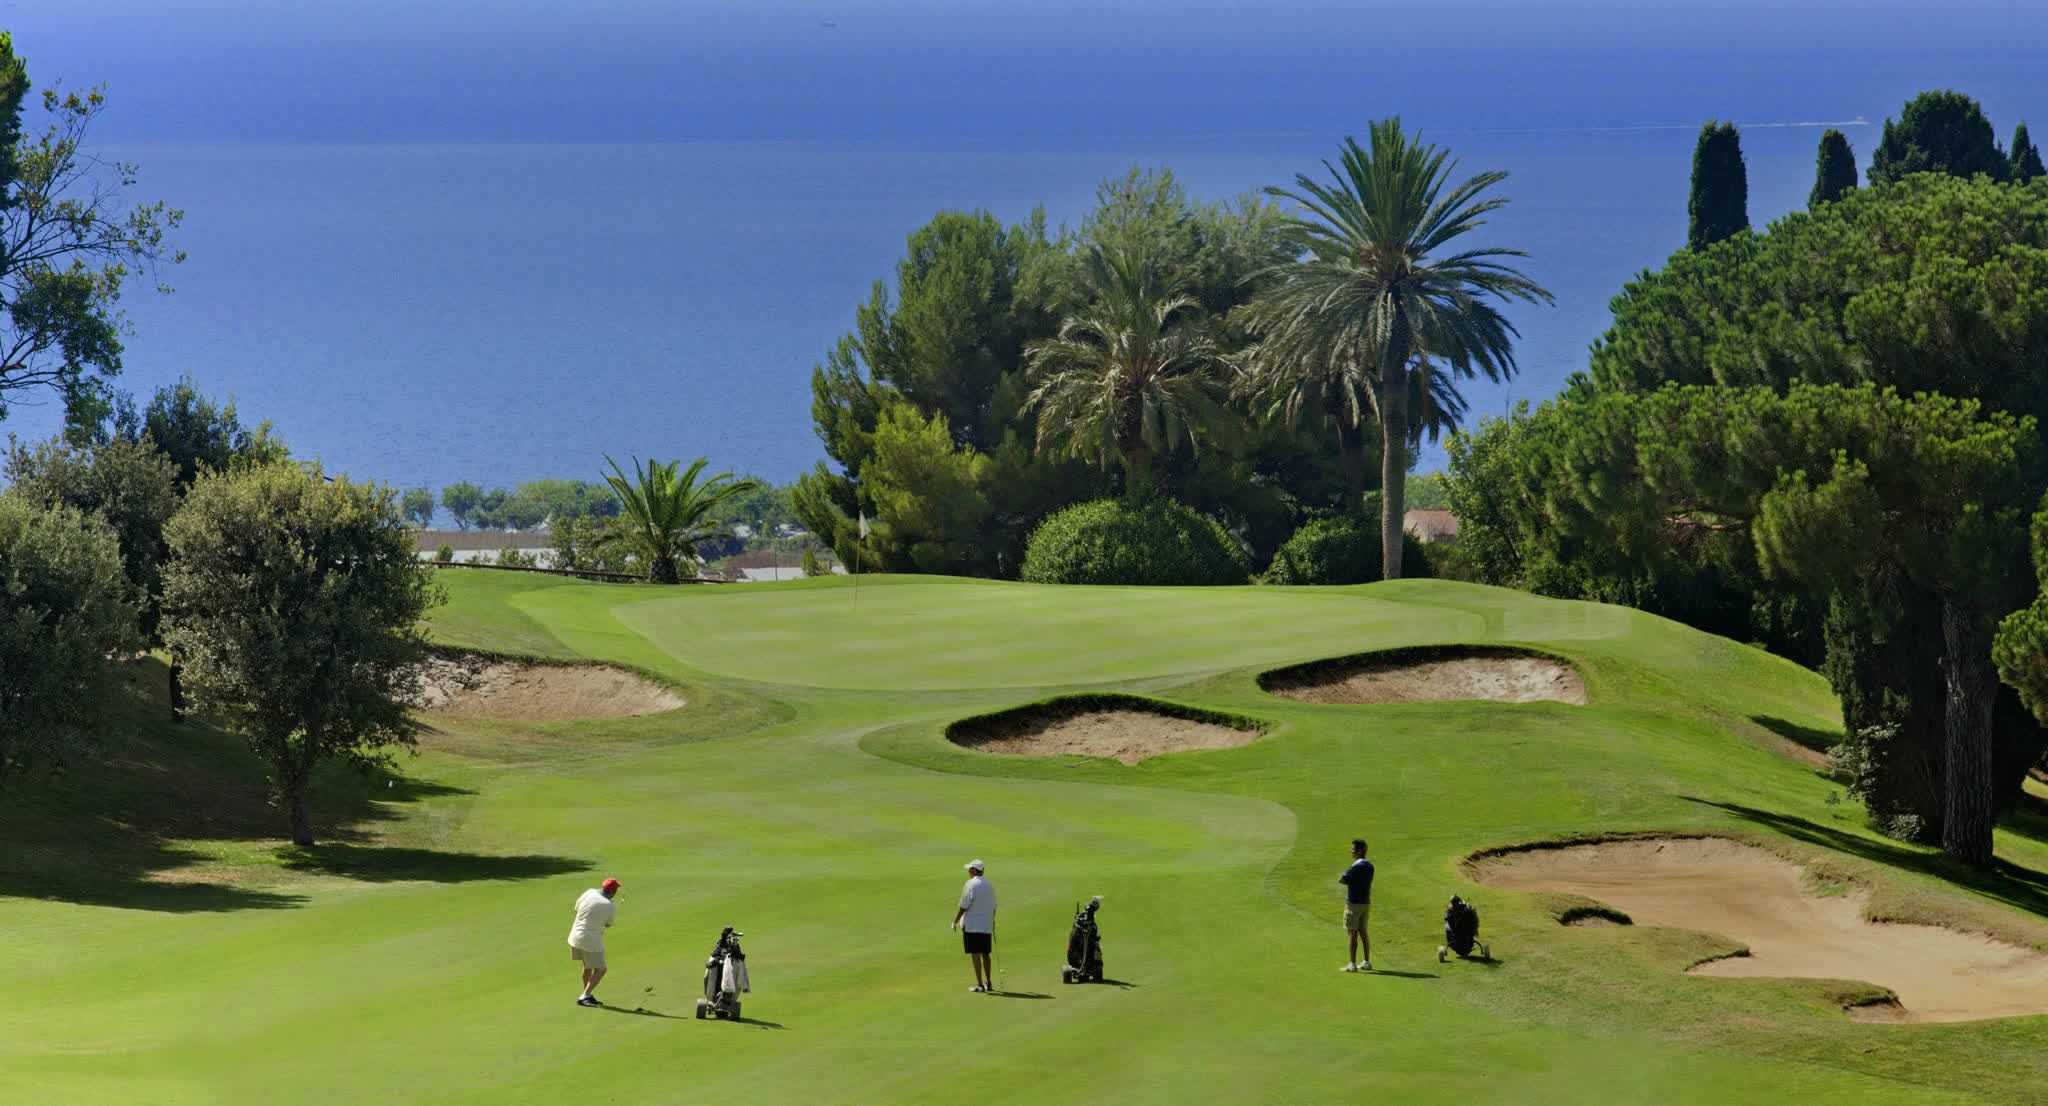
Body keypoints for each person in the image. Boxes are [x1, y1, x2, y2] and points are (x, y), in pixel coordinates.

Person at [567, 877, 621, 1006]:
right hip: (590, 941)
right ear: (613, 892)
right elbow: (608, 924)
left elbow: (577, 908)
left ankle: (588, 995)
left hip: (575, 936)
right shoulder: (611, 906)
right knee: (601, 969)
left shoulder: (589, 892)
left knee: (588, 967)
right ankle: (584, 996)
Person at [952, 859, 997, 992]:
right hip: (986, 925)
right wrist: (992, 921)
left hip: (972, 925)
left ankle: (979, 985)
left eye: (970, 869)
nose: (968, 871)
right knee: (986, 954)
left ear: (974, 871)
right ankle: (988, 982)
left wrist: (955, 921)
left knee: (975, 954)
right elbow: (994, 907)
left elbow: (963, 906)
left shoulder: (970, 884)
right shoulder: (990, 885)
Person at [1339, 839, 1373, 972]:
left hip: (1353, 904)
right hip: (1365, 903)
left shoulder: (1356, 866)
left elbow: (1342, 879)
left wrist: (1351, 882)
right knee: (1363, 933)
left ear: (1360, 851)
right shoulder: (1370, 866)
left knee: (1352, 934)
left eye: (1353, 849)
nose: (1351, 851)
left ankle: (1352, 964)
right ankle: (1366, 962)